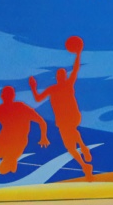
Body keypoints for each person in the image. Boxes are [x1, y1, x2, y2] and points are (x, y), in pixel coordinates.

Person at [0, 86, 50, 199]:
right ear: (2, 96)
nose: (5, 96)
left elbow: (41, 121)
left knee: (4, 169)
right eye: (4, 94)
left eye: (7, 94)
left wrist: (44, 137)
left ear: (11, 96)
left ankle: (11, 160)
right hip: (3, 139)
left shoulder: (21, 107)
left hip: (18, 141)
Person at [29, 37, 93, 179]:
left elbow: (75, 69)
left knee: (71, 136)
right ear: (57, 77)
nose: (60, 76)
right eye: (59, 74)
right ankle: (84, 162)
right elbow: (38, 98)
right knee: (70, 145)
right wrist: (33, 87)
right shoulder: (54, 88)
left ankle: (83, 149)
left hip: (70, 116)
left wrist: (78, 54)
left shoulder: (67, 84)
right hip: (65, 119)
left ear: (63, 76)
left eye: (62, 74)